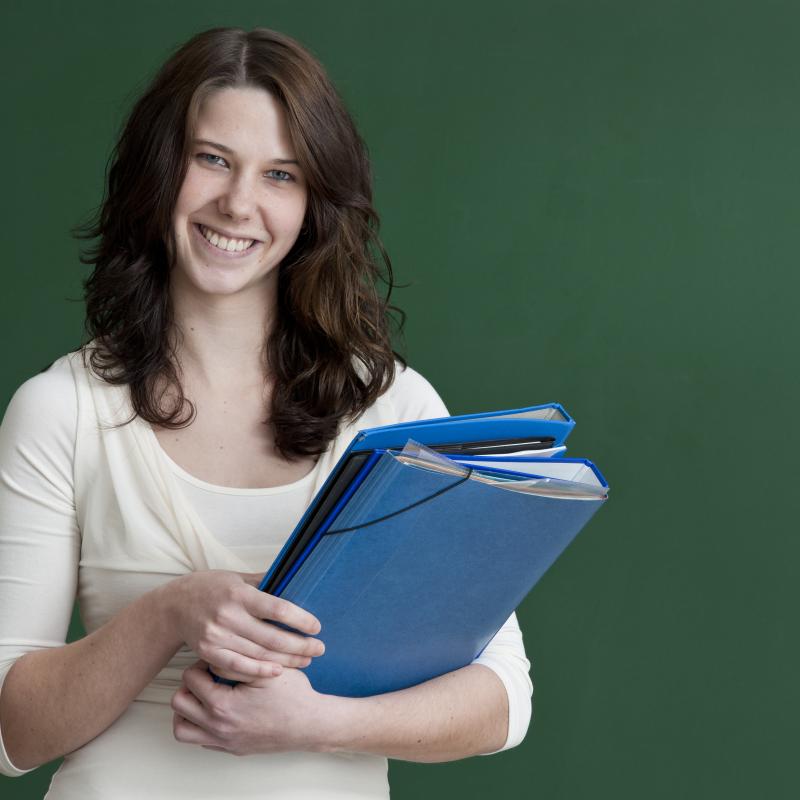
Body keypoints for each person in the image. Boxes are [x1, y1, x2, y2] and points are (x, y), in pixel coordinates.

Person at [0, 26, 532, 798]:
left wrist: (316, 724)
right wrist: (169, 615)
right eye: (212, 158)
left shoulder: (393, 412)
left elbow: (502, 701)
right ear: (160, 170)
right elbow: (10, 733)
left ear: (314, 202)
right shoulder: (59, 411)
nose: (238, 203)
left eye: (280, 174)